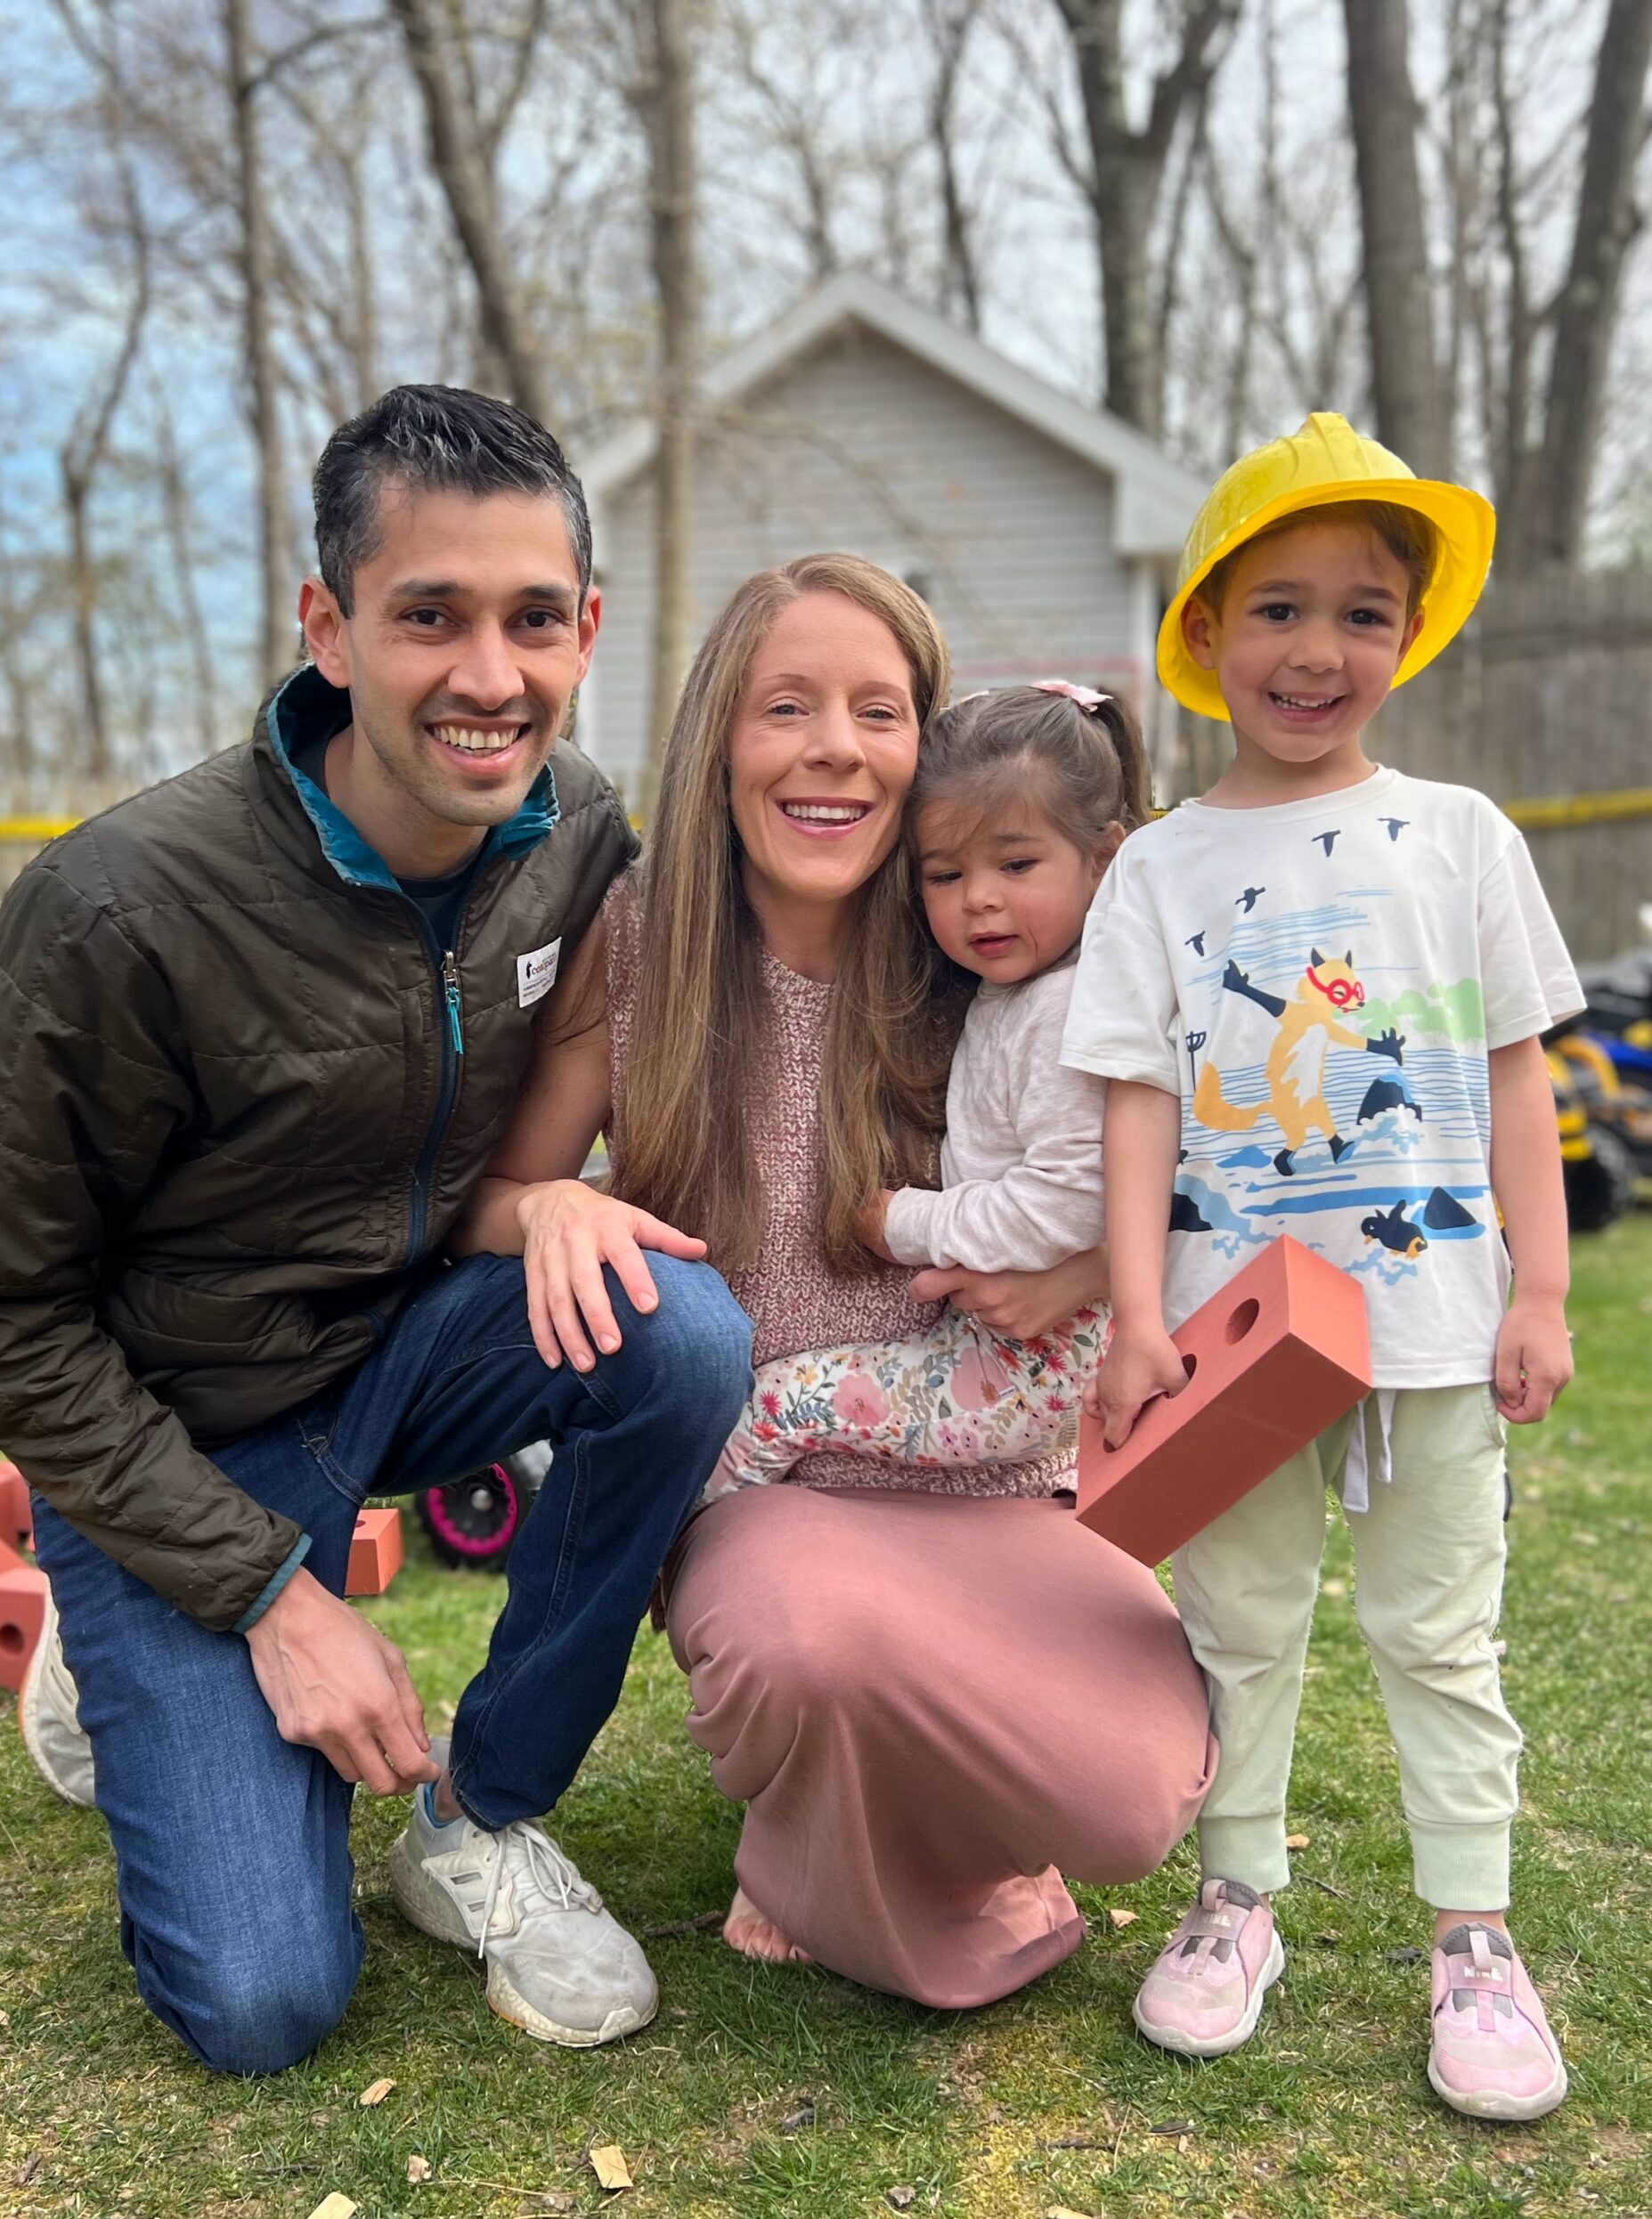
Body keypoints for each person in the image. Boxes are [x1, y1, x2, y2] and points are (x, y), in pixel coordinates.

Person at [0, 386, 753, 2072]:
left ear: (587, 627)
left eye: (530, 619)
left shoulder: (578, 831)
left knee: (680, 1330)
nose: (486, 675)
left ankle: (481, 1814)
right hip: (183, 1431)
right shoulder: (114, 908)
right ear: (328, 624)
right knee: (263, 2003)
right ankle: (124, 1626)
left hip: (399, 1354)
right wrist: (272, 1597)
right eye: (427, 614)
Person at [451, 553, 1217, 1998]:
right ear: (717, 741)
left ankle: (912, 1819)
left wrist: (1080, 1267)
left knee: (1133, 1794)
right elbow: (486, 1199)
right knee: (801, 1650)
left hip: (993, 1476)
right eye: (784, 705)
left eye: (877, 710)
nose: (831, 749)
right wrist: (547, 1205)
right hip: (772, 1491)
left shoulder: (981, 944)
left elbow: (1175, 1135)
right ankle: (818, 1862)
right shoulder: (643, 947)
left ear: (925, 747)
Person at [1063, 413, 1583, 2121]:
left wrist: (1539, 1290)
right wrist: (1135, 1318)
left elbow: (1516, 1072)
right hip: (1234, 1337)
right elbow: (1137, 1098)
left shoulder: (1460, 833)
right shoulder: (1156, 864)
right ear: (1206, 631)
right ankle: (1237, 1902)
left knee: (1442, 1639)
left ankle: (1473, 1939)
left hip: (1435, 1324)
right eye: (1276, 607)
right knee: (1239, 1626)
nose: (1317, 649)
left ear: (1405, 636)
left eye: (1363, 610)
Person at [704, 679, 1145, 1499]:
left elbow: (1065, 1204)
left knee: (781, 1401)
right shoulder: (1021, 991)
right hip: (1009, 1355)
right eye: (944, 875)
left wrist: (905, 1221)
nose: (980, 897)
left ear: (1104, 860)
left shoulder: (1066, 1011)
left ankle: (696, 1532)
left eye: (1016, 864)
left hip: (1025, 1367)